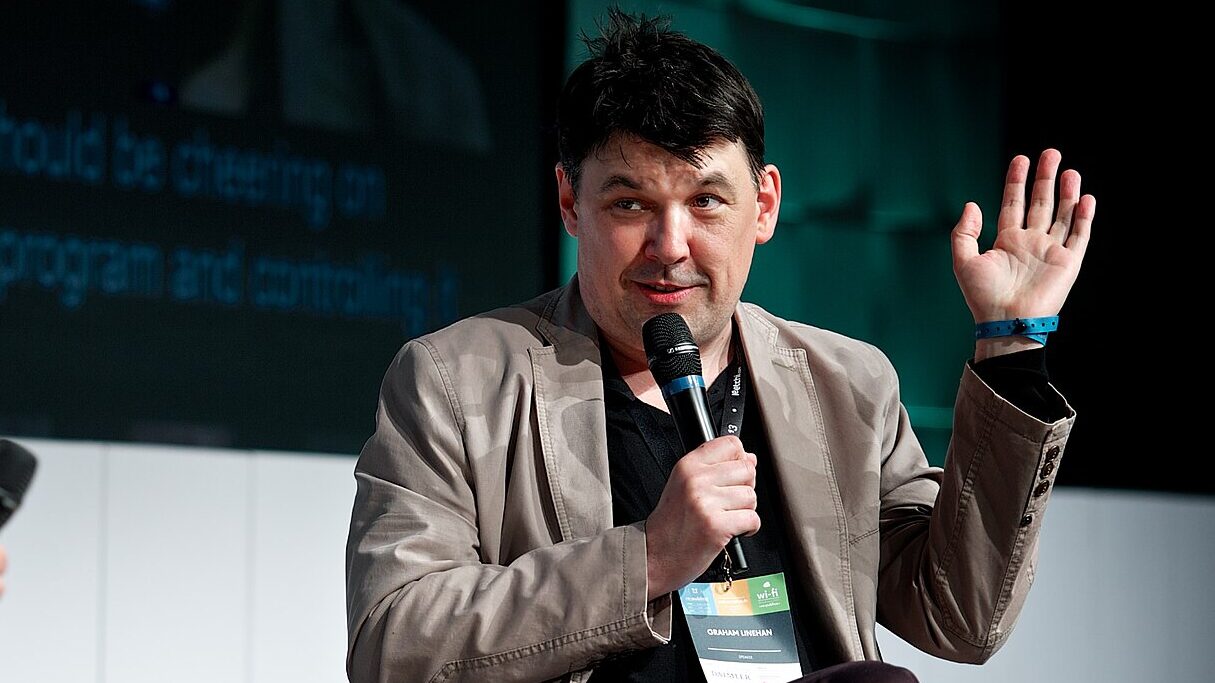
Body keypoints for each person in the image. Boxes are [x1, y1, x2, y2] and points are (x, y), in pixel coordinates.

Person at [344, 10, 1093, 683]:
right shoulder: (456, 379)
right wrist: (647, 559)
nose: (670, 246)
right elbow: (393, 643)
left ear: (763, 205)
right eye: (630, 203)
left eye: (705, 201)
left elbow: (960, 617)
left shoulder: (847, 383)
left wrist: (1009, 345)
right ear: (571, 203)